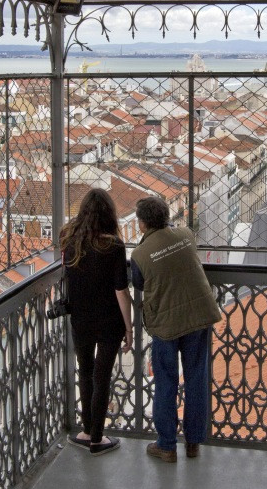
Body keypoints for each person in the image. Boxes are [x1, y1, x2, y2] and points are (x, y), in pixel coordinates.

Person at [129, 196, 222, 463]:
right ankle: (194, 443)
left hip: (166, 324)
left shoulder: (139, 254)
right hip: (197, 315)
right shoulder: (186, 234)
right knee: (196, 378)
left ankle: (167, 445)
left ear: (143, 223)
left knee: (166, 382)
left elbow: (139, 282)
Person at [59, 188, 133, 456]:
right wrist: (129, 327)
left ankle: (87, 431)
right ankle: (97, 440)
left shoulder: (69, 240)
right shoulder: (113, 245)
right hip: (109, 320)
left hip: (81, 319)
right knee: (102, 377)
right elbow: (121, 291)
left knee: (85, 372)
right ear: (109, 214)